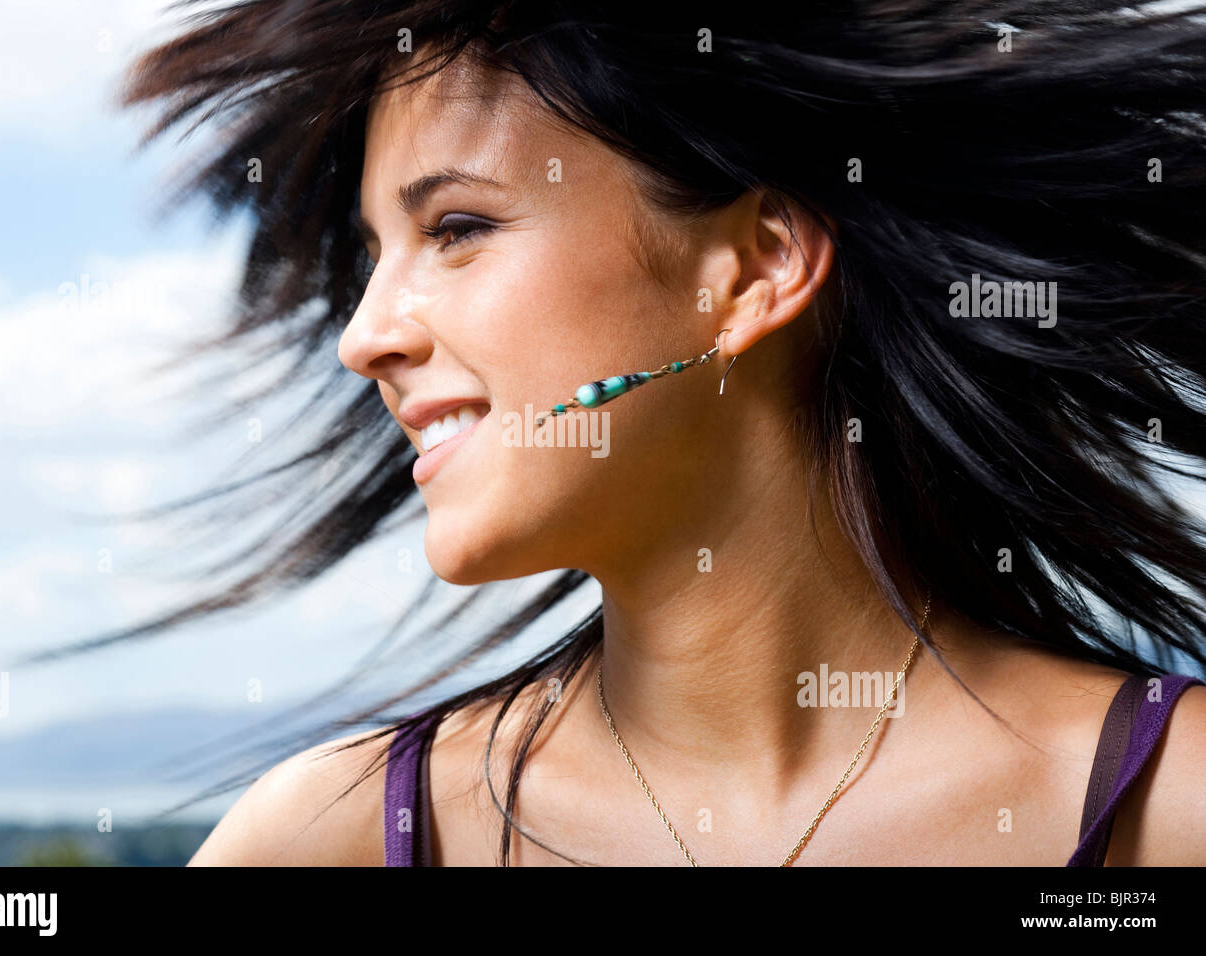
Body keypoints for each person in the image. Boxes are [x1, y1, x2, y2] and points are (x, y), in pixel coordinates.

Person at [115, 2, 1206, 865]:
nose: (366, 336)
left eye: (456, 228)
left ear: (753, 269)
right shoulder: (343, 835)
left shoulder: (1168, 804)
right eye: (374, 253)